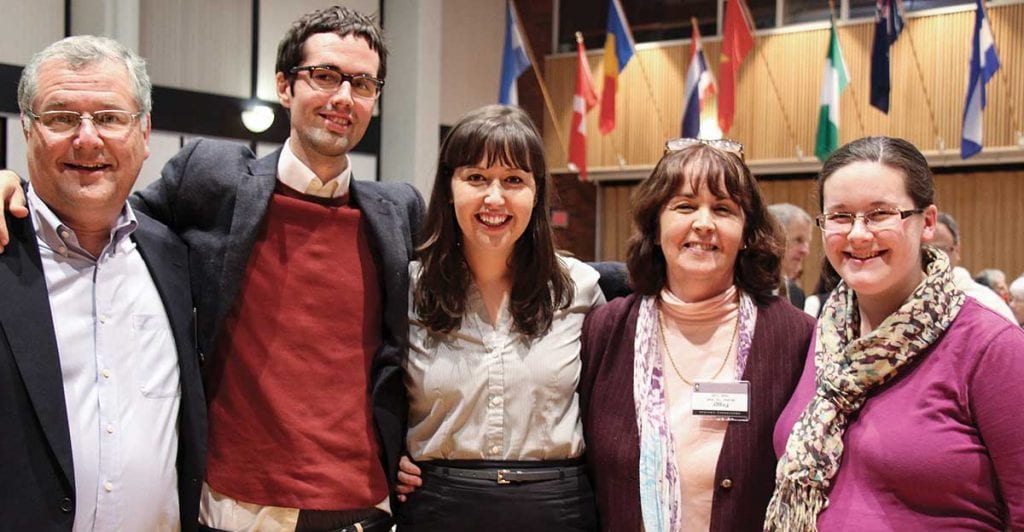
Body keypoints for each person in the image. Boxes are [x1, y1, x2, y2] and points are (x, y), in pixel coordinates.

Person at [0, 7, 421, 531]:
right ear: (284, 86)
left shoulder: (398, 211)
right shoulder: (213, 178)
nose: (342, 97)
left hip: (361, 506)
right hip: (234, 508)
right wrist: (13, 185)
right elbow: (101, 207)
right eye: (325, 75)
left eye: (362, 83)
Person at [0, 36, 205, 530]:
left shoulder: (177, 258)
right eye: (61, 118)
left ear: (145, 131)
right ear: (27, 128)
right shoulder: (3, 249)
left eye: (110, 118)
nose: (87, 139)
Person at [767, 136, 1024, 530]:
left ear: (928, 223)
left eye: (879, 214)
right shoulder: (824, 337)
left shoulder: (990, 347)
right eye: (840, 216)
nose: (857, 234)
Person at [579, 139, 814, 531]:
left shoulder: (796, 338)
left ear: (746, 233)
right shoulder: (606, 331)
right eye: (685, 206)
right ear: (655, 227)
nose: (703, 223)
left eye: (723, 209)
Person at [394, 105, 604, 531]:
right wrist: (384, 456)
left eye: (513, 181)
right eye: (476, 178)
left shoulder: (582, 288)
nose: (494, 198)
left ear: (536, 192)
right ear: (449, 187)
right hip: (437, 508)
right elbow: (370, 392)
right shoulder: (407, 289)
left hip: (557, 509)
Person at [930, 212, 1015, 322]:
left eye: (939, 250)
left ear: (957, 250)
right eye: (920, 250)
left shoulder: (988, 304)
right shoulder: (905, 302)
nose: (928, 257)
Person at [768, 203, 812, 309]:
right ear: (772, 237)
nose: (806, 251)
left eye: (807, 243)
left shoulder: (796, 294)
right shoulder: (743, 290)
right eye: (798, 240)